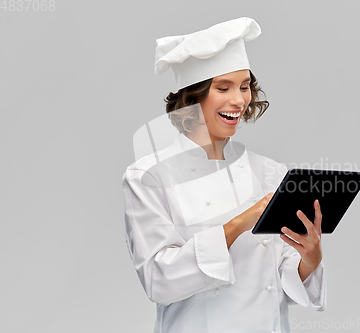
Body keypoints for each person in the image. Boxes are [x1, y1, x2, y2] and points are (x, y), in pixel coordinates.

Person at [122, 17, 326, 333]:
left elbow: (282, 277)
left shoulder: (270, 172)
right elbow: (158, 279)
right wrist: (237, 225)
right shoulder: (149, 176)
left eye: (245, 87)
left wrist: (310, 258)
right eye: (223, 87)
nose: (239, 100)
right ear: (193, 96)